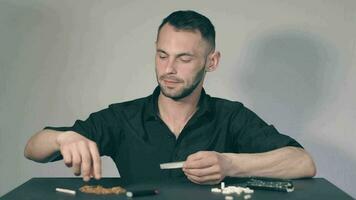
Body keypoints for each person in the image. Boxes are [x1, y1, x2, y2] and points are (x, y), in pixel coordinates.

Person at [24, 10, 316, 184]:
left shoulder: (232, 117)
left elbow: (302, 163)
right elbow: (32, 150)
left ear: (211, 62)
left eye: (184, 58)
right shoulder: (122, 118)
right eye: (162, 55)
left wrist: (230, 164)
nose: (169, 69)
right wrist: (63, 138)